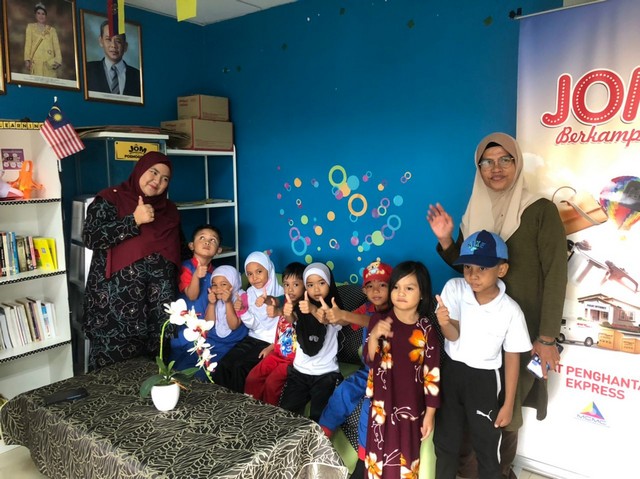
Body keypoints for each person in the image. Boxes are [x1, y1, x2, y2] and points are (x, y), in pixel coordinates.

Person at [426, 132, 567, 479]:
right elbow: (469, 271)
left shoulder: (540, 210)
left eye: (506, 159)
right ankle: (468, 472)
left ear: (517, 163)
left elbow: (556, 274)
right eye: (487, 162)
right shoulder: (475, 211)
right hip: (474, 334)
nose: (496, 168)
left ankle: (500, 472)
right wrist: (447, 240)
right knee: (467, 411)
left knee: (508, 408)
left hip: (521, 329)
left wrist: (547, 337)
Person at [434, 230, 532, 479]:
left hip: (484, 379)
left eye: (482, 268)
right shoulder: (455, 289)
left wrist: (508, 404)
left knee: (487, 445)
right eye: (468, 267)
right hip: (452, 372)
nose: (473, 275)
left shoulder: (510, 310)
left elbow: (512, 357)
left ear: (502, 269)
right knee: (446, 442)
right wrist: (444, 323)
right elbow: (453, 335)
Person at [82, 151, 181, 371]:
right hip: (115, 314)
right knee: (111, 377)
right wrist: (133, 220)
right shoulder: (110, 199)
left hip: (157, 314)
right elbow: (91, 237)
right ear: (140, 170)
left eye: (165, 178)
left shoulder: (170, 210)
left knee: (155, 377)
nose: (157, 181)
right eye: (153, 172)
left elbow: (179, 251)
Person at [364, 260, 441, 479]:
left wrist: (430, 414)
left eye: (409, 288)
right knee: (377, 458)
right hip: (381, 405)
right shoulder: (380, 320)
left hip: (411, 408)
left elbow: (432, 375)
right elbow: (369, 359)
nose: (401, 293)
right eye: (396, 287)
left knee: (407, 460)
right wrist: (374, 337)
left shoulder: (426, 329)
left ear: (422, 293)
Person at [319, 260, 393, 479]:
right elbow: (346, 321)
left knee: (369, 409)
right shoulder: (366, 307)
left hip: (387, 376)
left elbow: (370, 322)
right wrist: (331, 316)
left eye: (382, 285)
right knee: (343, 391)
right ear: (364, 290)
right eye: (370, 286)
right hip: (367, 370)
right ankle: (321, 436)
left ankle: (363, 459)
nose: (376, 291)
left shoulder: (396, 311)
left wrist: (346, 315)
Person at [279, 262, 345, 423]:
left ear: (329, 283)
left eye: (321, 283)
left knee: (319, 416)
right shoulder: (302, 305)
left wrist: (314, 310)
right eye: (310, 285)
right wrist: (287, 312)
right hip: (299, 371)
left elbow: (339, 321)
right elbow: (292, 320)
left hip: (326, 373)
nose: (316, 289)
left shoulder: (334, 308)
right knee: (285, 413)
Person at [212, 251, 284, 392]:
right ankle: (219, 400)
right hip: (252, 337)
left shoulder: (281, 293)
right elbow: (254, 325)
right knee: (224, 364)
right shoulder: (249, 293)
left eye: (259, 272)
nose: (254, 278)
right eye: (249, 274)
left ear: (269, 269)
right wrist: (243, 311)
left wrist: (273, 347)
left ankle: (237, 404)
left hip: (271, 342)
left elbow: (287, 326)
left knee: (240, 367)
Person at [244, 261, 305, 405]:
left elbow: (292, 318)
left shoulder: (304, 307)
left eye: (296, 284)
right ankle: (249, 408)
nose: (290, 289)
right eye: (286, 284)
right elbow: (274, 300)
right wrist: (265, 299)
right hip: (277, 353)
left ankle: (270, 414)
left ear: (305, 286)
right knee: (253, 377)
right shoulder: (285, 300)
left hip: (293, 360)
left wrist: (279, 312)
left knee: (272, 383)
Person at [85, 21, 141, 96]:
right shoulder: (87, 70)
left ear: (125, 46)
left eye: (118, 41)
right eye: (108, 39)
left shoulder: (138, 76)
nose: (113, 45)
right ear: (101, 41)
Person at [24, 3, 62, 77]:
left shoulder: (52, 30)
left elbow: (57, 47)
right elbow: (28, 44)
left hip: (49, 62)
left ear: (46, 16)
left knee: (50, 82)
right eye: (38, 13)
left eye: (43, 14)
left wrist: (58, 60)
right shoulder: (30, 27)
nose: (41, 16)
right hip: (36, 62)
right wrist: (27, 60)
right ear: (35, 15)